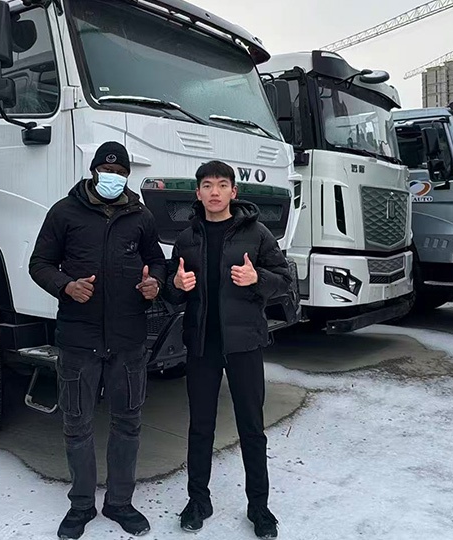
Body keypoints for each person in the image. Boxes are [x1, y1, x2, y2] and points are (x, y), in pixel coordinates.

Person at [29, 141, 167, 540]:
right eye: (107, 171)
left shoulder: (141, 216)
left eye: (120, 173)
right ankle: (81, 506)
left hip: (128, 341)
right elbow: (39, 263)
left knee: (128, 424)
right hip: (79, 339)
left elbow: (156, 261)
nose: (113, 178)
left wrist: (154, 284)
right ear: (93, 172)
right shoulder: (64, 212)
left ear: (127, 176)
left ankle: (120, 503)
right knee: (77, 425)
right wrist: (66, 286)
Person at [163, 160, 293, 539]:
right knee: (200, 427)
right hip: (202, 346)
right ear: (198, 193)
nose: (215, 192)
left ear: (234, 192)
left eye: (222, 185)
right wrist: (176, 286)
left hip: (244, 345)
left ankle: (259, 507)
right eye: (207, 185)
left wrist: (257, 278)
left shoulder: (257, 233)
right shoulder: (187, 238)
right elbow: (171, 292)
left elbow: (285, 280)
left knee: (251, 427)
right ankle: (198, 501)